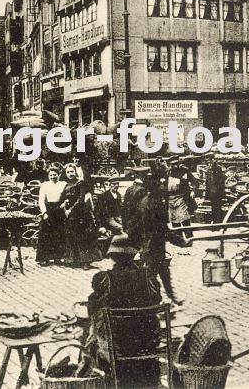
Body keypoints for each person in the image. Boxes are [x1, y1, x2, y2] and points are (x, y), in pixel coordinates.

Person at [84, 235, 162, 389]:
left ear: (112, 256)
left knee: (91, 337)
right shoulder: (148, 277)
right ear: (134, 255)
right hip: (146, 343)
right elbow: (156, 299)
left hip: (117, 345)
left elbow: (92, 307)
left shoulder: (104, 279)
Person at [129, 165, 183, 306]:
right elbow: (162, 229)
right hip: (153, 245)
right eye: (160, 185)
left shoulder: (148, 200)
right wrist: (181, 241)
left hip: (152, 244)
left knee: (164, 273)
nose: (162, 187)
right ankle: (154, 303)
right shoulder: (153, 204)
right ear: (155, 188)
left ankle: (171, 297)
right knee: (152, 275)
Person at [60, 163, 101, 268]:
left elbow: (81, 199)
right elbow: (64, 197)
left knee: (82, 237)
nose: (70, 174)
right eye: (68, 172)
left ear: (75, 172)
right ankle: (74, 260)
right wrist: (64, 203)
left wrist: (71, 210)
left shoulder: (81, 183)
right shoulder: (67, 185)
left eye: (72, 171)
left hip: (81, 214)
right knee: (72, 236)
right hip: (70, 215)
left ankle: (85, 262)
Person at [36, 166, 66, 265]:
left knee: (58, 234)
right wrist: (44, 212)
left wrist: (65, 203)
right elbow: (41, 200)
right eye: (51, 175)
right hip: (48, 210)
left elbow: (68, 196)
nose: (53, 177)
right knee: (46, 235)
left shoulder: (63, 184)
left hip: (59, 211)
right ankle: (44, 258)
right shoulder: (45, 185)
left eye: (55, 175)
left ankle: (58, 258)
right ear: (48, 176)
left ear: (59, 175)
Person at [166, 159, 196, 242]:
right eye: (171, 165)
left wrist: (192, 190)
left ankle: (189, 235)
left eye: (175, 164)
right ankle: (178, 237)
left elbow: (194, 181)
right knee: (174, 218)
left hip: (181, 197)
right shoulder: (167, 172)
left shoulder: (184, 171)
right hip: (170, 198)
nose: (173, 166)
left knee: (184, 217)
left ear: (178, 164)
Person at [204, 155, 226, 224]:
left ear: (213, 159)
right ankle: (215, 220)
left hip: (217, 192)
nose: (209, 162)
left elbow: (220, 181)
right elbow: (208, 181)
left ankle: (217, 221)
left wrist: (220, 191)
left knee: (217, 207)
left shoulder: (217, 168)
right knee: (214, 206)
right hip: (212, 191)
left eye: (210, 160)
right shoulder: (210, 168)